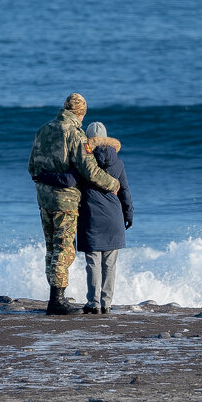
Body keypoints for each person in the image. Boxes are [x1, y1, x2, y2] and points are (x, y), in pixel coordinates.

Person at [28, 93, 120, 316]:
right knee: (64, 249)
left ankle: (54, 297)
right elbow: (89, 170)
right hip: (65, 201)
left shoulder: (44, 129)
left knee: (51, 247)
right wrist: (112, 183)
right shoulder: (74, 133)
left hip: (44, 199)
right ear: (82, 113)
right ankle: (57, 302)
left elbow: (32, 167)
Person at [75, 122, 133, 314]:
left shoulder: (86, 161)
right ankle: (106, 304)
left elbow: (71, 183)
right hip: (114, 219)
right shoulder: (119, 162)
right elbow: (124, 190)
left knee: (93, 263)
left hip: (92, 218)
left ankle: (93, 303)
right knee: (109, 264)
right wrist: (129, 214)